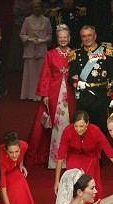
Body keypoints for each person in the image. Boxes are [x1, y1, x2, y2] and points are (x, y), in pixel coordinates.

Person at [26, 24, 76, 167]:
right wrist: (45, 95)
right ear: (57, 38)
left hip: (71, 92)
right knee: (56, 125)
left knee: (70, 123)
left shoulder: (74, 53)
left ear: (70, 38)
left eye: (65, 37)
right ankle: (55, 160)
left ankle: (71, 159)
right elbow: (45, 75)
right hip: (55, 93)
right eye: (60, 37)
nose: (63, 40)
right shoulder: (50, 54)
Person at [55, 110, 113, 199]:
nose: (78, 129)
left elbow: (112, 156)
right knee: (74, 180)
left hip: (91, 157)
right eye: (76, 126)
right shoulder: (68, 131)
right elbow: (60, 156)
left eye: (81, 126)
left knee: (89, 183)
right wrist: (57, 181)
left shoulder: (95, 131)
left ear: (87, 123)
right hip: (73, 156)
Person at [69, 25, 113, 135]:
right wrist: (78, 83)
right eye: (84, 36)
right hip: (84, 97)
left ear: (95, 36)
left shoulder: (106, 52)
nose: (87, 39)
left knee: (101, 129)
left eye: (89, 35)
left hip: (101, 97)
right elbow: (71, 76)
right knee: (83, 129)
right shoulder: (76, 54)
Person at [0, 132, 36, 204]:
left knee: (21, 180)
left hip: (12, 168)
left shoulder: (24, 146)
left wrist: (21, 165)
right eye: (11, 152)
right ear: (6, 151)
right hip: (2, 172)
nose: (14, 155)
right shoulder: (0, 160)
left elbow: (21, 154)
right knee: (8, 187)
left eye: (16, 151)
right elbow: (3, 190)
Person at [20, 0, 52, 101]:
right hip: (30, 50)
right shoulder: (27, 20)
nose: (37, 9)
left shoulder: (46, 20)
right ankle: (28, 95)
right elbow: (22, 34)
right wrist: (29, 39)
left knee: (42, 74)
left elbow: (50, 35)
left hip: (42, 50)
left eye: (38, 6)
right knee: (30, 74)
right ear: (32, 8)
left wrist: (43, 40)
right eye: (34, 7)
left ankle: (41, 94)